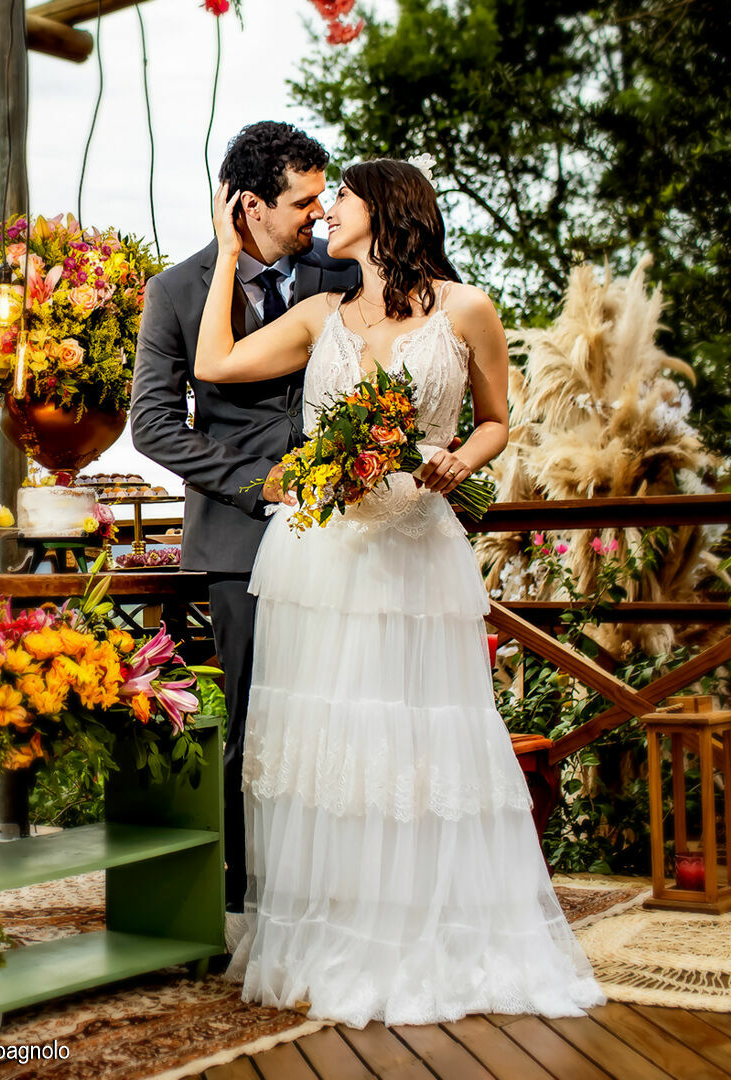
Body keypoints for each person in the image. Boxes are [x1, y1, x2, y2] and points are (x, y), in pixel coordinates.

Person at [194, 158, 605, 1026]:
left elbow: (496, 418)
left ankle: (421, 929)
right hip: (323, 555)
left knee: (415, 745)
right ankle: (334, 929)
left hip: (416, 549)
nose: (323, 213)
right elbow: (216, 362)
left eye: (337, 197)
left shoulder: (467, 309)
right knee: (329, 744)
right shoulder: (317, 316)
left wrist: (464, 457)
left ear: (383, 208)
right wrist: (228, 251)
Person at [130, 122, 359, 929]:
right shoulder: (177, 289)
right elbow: (154, 426)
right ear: (247, 206)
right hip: (238, 541)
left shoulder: (341, 271)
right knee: (257, 719)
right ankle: (241, 895)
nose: (318, 213)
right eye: (302, 200)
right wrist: (263, 487)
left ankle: (329, 883)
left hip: (348, 533)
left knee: (340, 708)